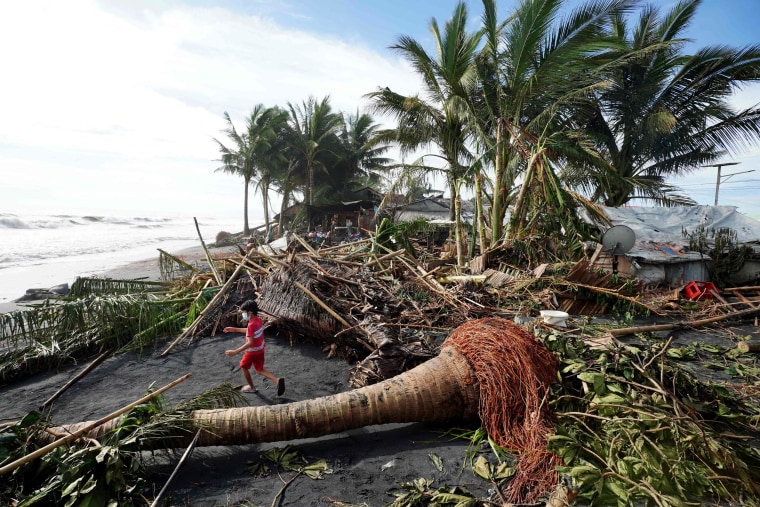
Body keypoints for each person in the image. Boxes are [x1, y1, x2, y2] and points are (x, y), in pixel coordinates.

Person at [223, 299, 285, 395]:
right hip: (260, 349)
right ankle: (276, 380)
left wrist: (235, 351)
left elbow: (250, 343)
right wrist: (234, 329)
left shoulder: (251, 324)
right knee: (259, 369)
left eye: (244, 312)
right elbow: (250, 332)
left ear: (250, 312)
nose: (243, 315)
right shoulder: (258, 320)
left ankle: (251, 387)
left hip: (251, 352)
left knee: (243, 366)